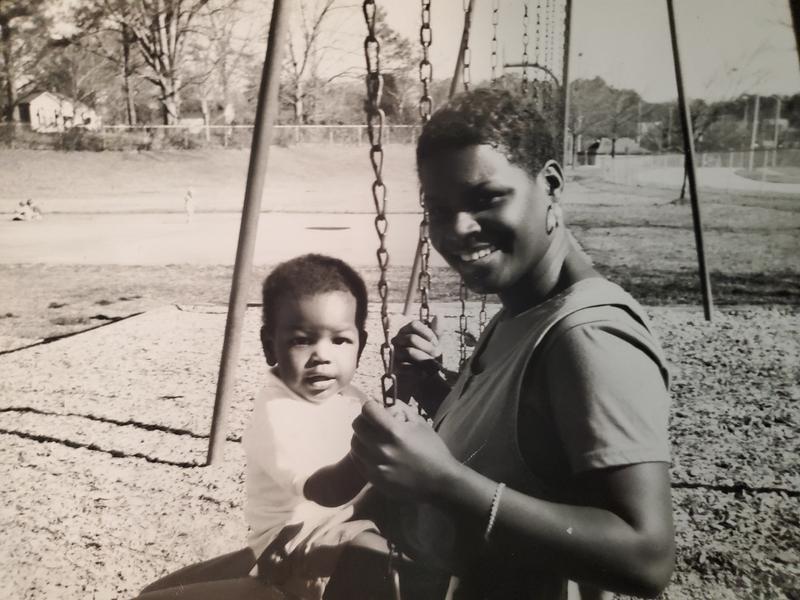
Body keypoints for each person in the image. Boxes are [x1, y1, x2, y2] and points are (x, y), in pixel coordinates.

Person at [328, 86, 675, 600]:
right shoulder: (523, 310)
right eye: (438, 209)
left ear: (551, 184)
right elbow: (530, 445)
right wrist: (434, 390)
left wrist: (441, 480)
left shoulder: (590, 336)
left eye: (486, 198)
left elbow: (646, 558)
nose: (458, 229)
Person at [138, 254, 386, 600]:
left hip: (335, 525)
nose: (322, 355)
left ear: (360, 344)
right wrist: (378, 450)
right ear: (270, 346)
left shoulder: (350, 397)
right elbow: (326, 490)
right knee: (375, 558)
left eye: (339, 340)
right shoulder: (279, 412)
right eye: (302, 340)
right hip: (292, 547)